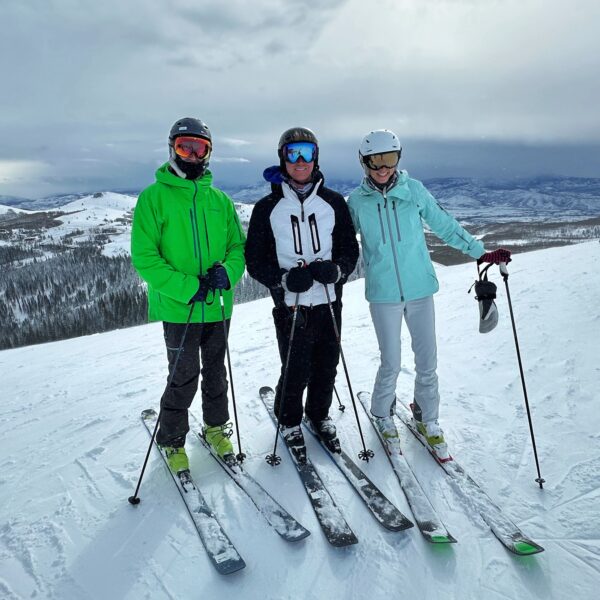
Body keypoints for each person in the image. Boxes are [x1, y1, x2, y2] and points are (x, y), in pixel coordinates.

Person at [347, 129, 510, 461]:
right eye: (375, 161)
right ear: (364, 163)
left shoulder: (413, 190)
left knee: (427, 361)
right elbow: (343, 245)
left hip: (420, 289)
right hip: (383, 294)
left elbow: (444, 225)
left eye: (389, 159)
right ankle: (382, 413)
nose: (382, 168)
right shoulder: (357, 202)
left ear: (398, 158)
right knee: (390, 361)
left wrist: (479, 252)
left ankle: (427, 419)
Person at [131, 117, 246, 472]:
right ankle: (172, 439)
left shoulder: (220, 200)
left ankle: (215, 427)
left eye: (200, 148)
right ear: (172, 149)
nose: (193, 155)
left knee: (216, 373)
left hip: (217, 306)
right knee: (183, 375)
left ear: (209, 153)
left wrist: (226, 273)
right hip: (180, 308)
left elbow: (237, 247)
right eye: (185, 147)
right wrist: (188, 286)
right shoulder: (154, 198)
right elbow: (145, 258)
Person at [245, 127, 359, 459]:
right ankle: (290, 420)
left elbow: (349, 250)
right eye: (293, 153)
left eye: (306, 153)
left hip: (328, 301)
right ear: (283, 157)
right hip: (291, 306)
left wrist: (336, 271)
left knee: (327, 365)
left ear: (316, 157)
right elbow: (255, 260)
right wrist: (281, 280)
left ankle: (319, 416)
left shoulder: (334, 202)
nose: (300, 161)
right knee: (295, 368)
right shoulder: (267, 208)